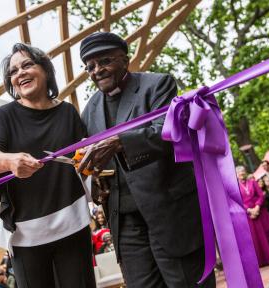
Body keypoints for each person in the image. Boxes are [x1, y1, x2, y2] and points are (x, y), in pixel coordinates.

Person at [77, 31, 215, 287]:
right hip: (126, 224)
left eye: (105, 61)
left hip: (170, 214)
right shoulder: (89, 110)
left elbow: (171, 132)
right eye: (91, 66)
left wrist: (121, 142)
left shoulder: (158, 85)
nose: (97, 70)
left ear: (124, 60)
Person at [0, 43, 95, 287]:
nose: (20, 73)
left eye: (27, 65)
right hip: (25, 235)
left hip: (72, 224)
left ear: (45, 70)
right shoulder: (3, 116)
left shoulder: (67, 112)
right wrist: (10, 161)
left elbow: (85, 163)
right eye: (13, 71)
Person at [236, 166, 269, 266]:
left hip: (261, 212)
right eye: (239, 172)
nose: (242, 173)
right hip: (249, 215)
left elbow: (261, 195)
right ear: (236, 175)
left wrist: (257, 207)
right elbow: (238, 200)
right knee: (255, 238)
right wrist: (249, 210)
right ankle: (262, 260)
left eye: (243, 171)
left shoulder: (252, 182)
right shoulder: (236, 186)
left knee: (267, 234)